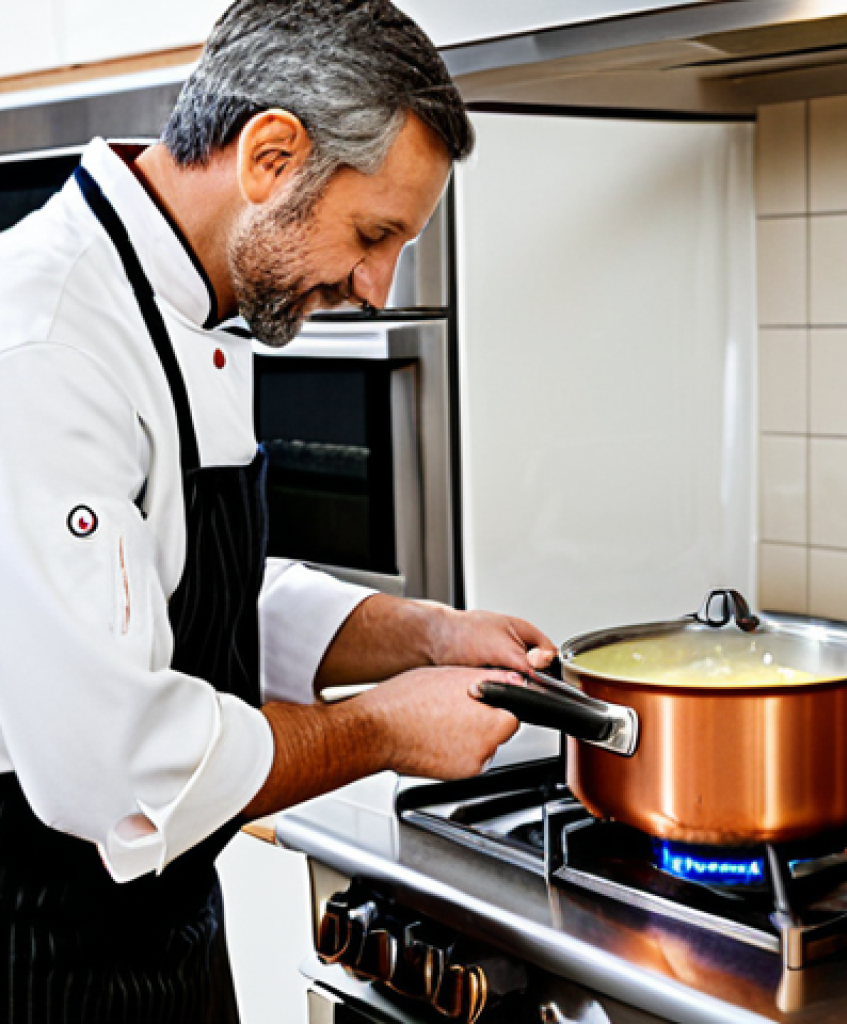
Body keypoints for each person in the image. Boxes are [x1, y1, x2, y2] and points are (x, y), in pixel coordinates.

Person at [0, 1, 555, 1020]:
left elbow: (187, 591)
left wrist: (419, 632)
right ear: (269, 155)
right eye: (373, 232)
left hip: (166, 931)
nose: (377, 288)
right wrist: (384, 727)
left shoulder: (203, 296)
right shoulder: (43, 347)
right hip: (37, 954)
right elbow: (118, 762)